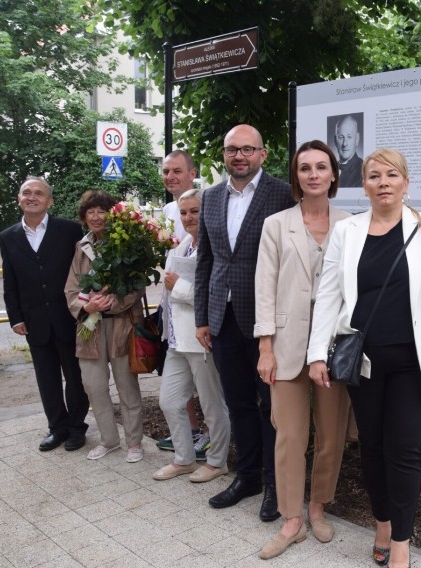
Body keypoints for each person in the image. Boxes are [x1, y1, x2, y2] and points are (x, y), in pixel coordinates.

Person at [307, 148, 421, 568]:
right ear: (365, 186)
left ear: (405, 182)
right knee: (372, 447)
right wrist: (316, 353)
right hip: (364, 360)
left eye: (391, 174)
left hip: (415, 362)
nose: (383, 182)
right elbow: (329, 294)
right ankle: (381, 521)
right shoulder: (349, 231)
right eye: (374, 176)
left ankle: (401, 542)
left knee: (404, 449)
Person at [255, 141, 351, 559]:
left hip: (334, 347)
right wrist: (265, 347)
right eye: (305, 168)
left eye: (321, 167)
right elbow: (264, 289)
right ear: (296, 177)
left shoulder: (352, 224)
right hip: (287, 346)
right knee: (290, 435)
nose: (313, 174)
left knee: (331, 435)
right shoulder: (277, 224)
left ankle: (318, 507)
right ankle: (291, 518)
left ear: (333, 176)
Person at [194, 124, 293, 519]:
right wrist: (202, 317)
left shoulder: (283, 194)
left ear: (263, 154)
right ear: (224, 154)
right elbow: (207, 261)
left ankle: (274, 484)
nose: (240, 156)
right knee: (238, 403)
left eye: (248, 149)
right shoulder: (211, 196)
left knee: (271, 405)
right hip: (223, 318)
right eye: (233, 149)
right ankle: (248, 475)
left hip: (267, 320)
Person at [0, 176, 89, 452]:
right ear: (19, 199)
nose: (32, 197)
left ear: (50, 201)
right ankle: (57, 428)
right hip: (33, 321)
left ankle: (76, 427)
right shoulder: (8, 236)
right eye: (27, 192)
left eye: (39, 193)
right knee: (46, 378)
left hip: (69, 318)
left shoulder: (70, 230)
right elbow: (9, 280)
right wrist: (15, 316)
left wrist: (84, 307)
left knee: (75, 377)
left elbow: (85, 271)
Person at [153, 188, 230, 482]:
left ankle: (217, 461)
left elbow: (219, 294)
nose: (188, 218)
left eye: (194, 211)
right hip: (175, 339)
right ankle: (184, 459)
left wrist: (179, 287)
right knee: (170, 401)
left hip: (202, 340)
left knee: (212, 406)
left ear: (207, 211)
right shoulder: (181, 245)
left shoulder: (216, 247)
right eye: (183, 212)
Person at [64, 190, 145, 463]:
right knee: (94, 386)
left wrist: (111, 302)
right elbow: (71, 288)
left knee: (126, 385)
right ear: (84, 217)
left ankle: (134, 442)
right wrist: (86, 307)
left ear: (113, 214)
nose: (97, 217)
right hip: (89, 325)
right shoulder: (81, 246)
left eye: (102, 211)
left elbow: (136, 286)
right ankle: (109, 440)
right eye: (91, 212)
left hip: (121, 324)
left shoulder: (126, 244)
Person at [157, 150, 208, 459]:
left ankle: (212, 441)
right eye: (165, 171)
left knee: (210, 392)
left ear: (192, 173)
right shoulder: (166, 210)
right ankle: (189, 435)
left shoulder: (208, 206)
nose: (170, 176)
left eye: (176, 170)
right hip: (175, 315)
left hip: (199, 317)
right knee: (175, 390)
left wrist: (178, 289)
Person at [334, 115, 363, 188]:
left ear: (357, 139)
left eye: (349, 137)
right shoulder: (328, 168)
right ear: (335, 141)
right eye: (341, 137)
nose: (345, 144)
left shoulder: (363, 170)